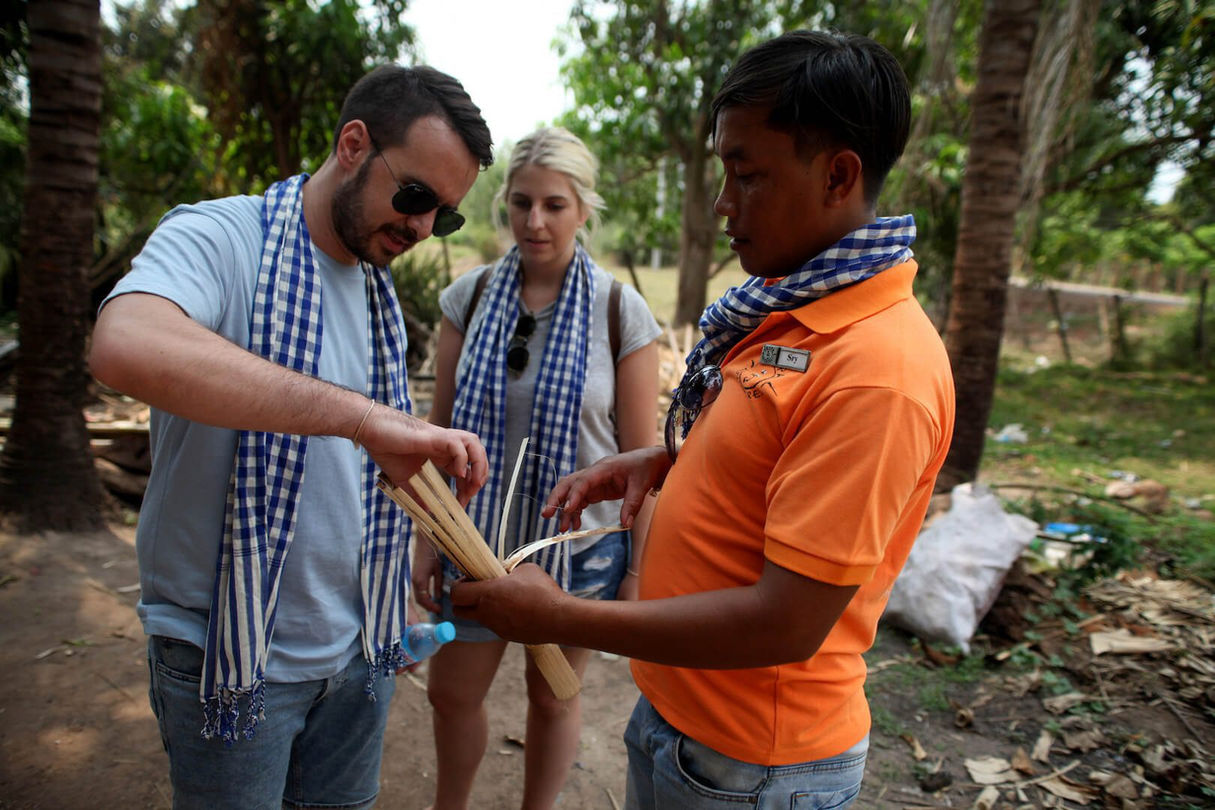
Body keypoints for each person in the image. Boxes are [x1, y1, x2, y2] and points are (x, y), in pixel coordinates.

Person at [450, 30, 956, 810]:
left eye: (746, 175)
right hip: (685, 725)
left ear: (837, 175)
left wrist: (562, 616)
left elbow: (784, 624)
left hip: (753, 763)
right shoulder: (789, 317)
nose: (722, 202)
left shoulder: (878, 371)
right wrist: (667, 462)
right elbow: (772, 463)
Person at [88, 64, 493, 810]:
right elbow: (123, 344)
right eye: (413, 197)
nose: (422, 227)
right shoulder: (221, 238)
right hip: (228, 654)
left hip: (357, 653)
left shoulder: (378, 295)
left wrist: (394, 592)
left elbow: (346, 484)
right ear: (351, 145)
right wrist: (361, 417)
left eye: (445, 215)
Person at [410, 126, 661, 810]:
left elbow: (643, 459)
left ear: (583, 208)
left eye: (554, 204)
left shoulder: (619, 311)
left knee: (553, 699)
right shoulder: (468, 299)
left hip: (572, 554)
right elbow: (435, 435)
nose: (534, 221)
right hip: (474, 541)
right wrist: (426, 539)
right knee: (450, 693)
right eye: (521, 203)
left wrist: (638, 572)